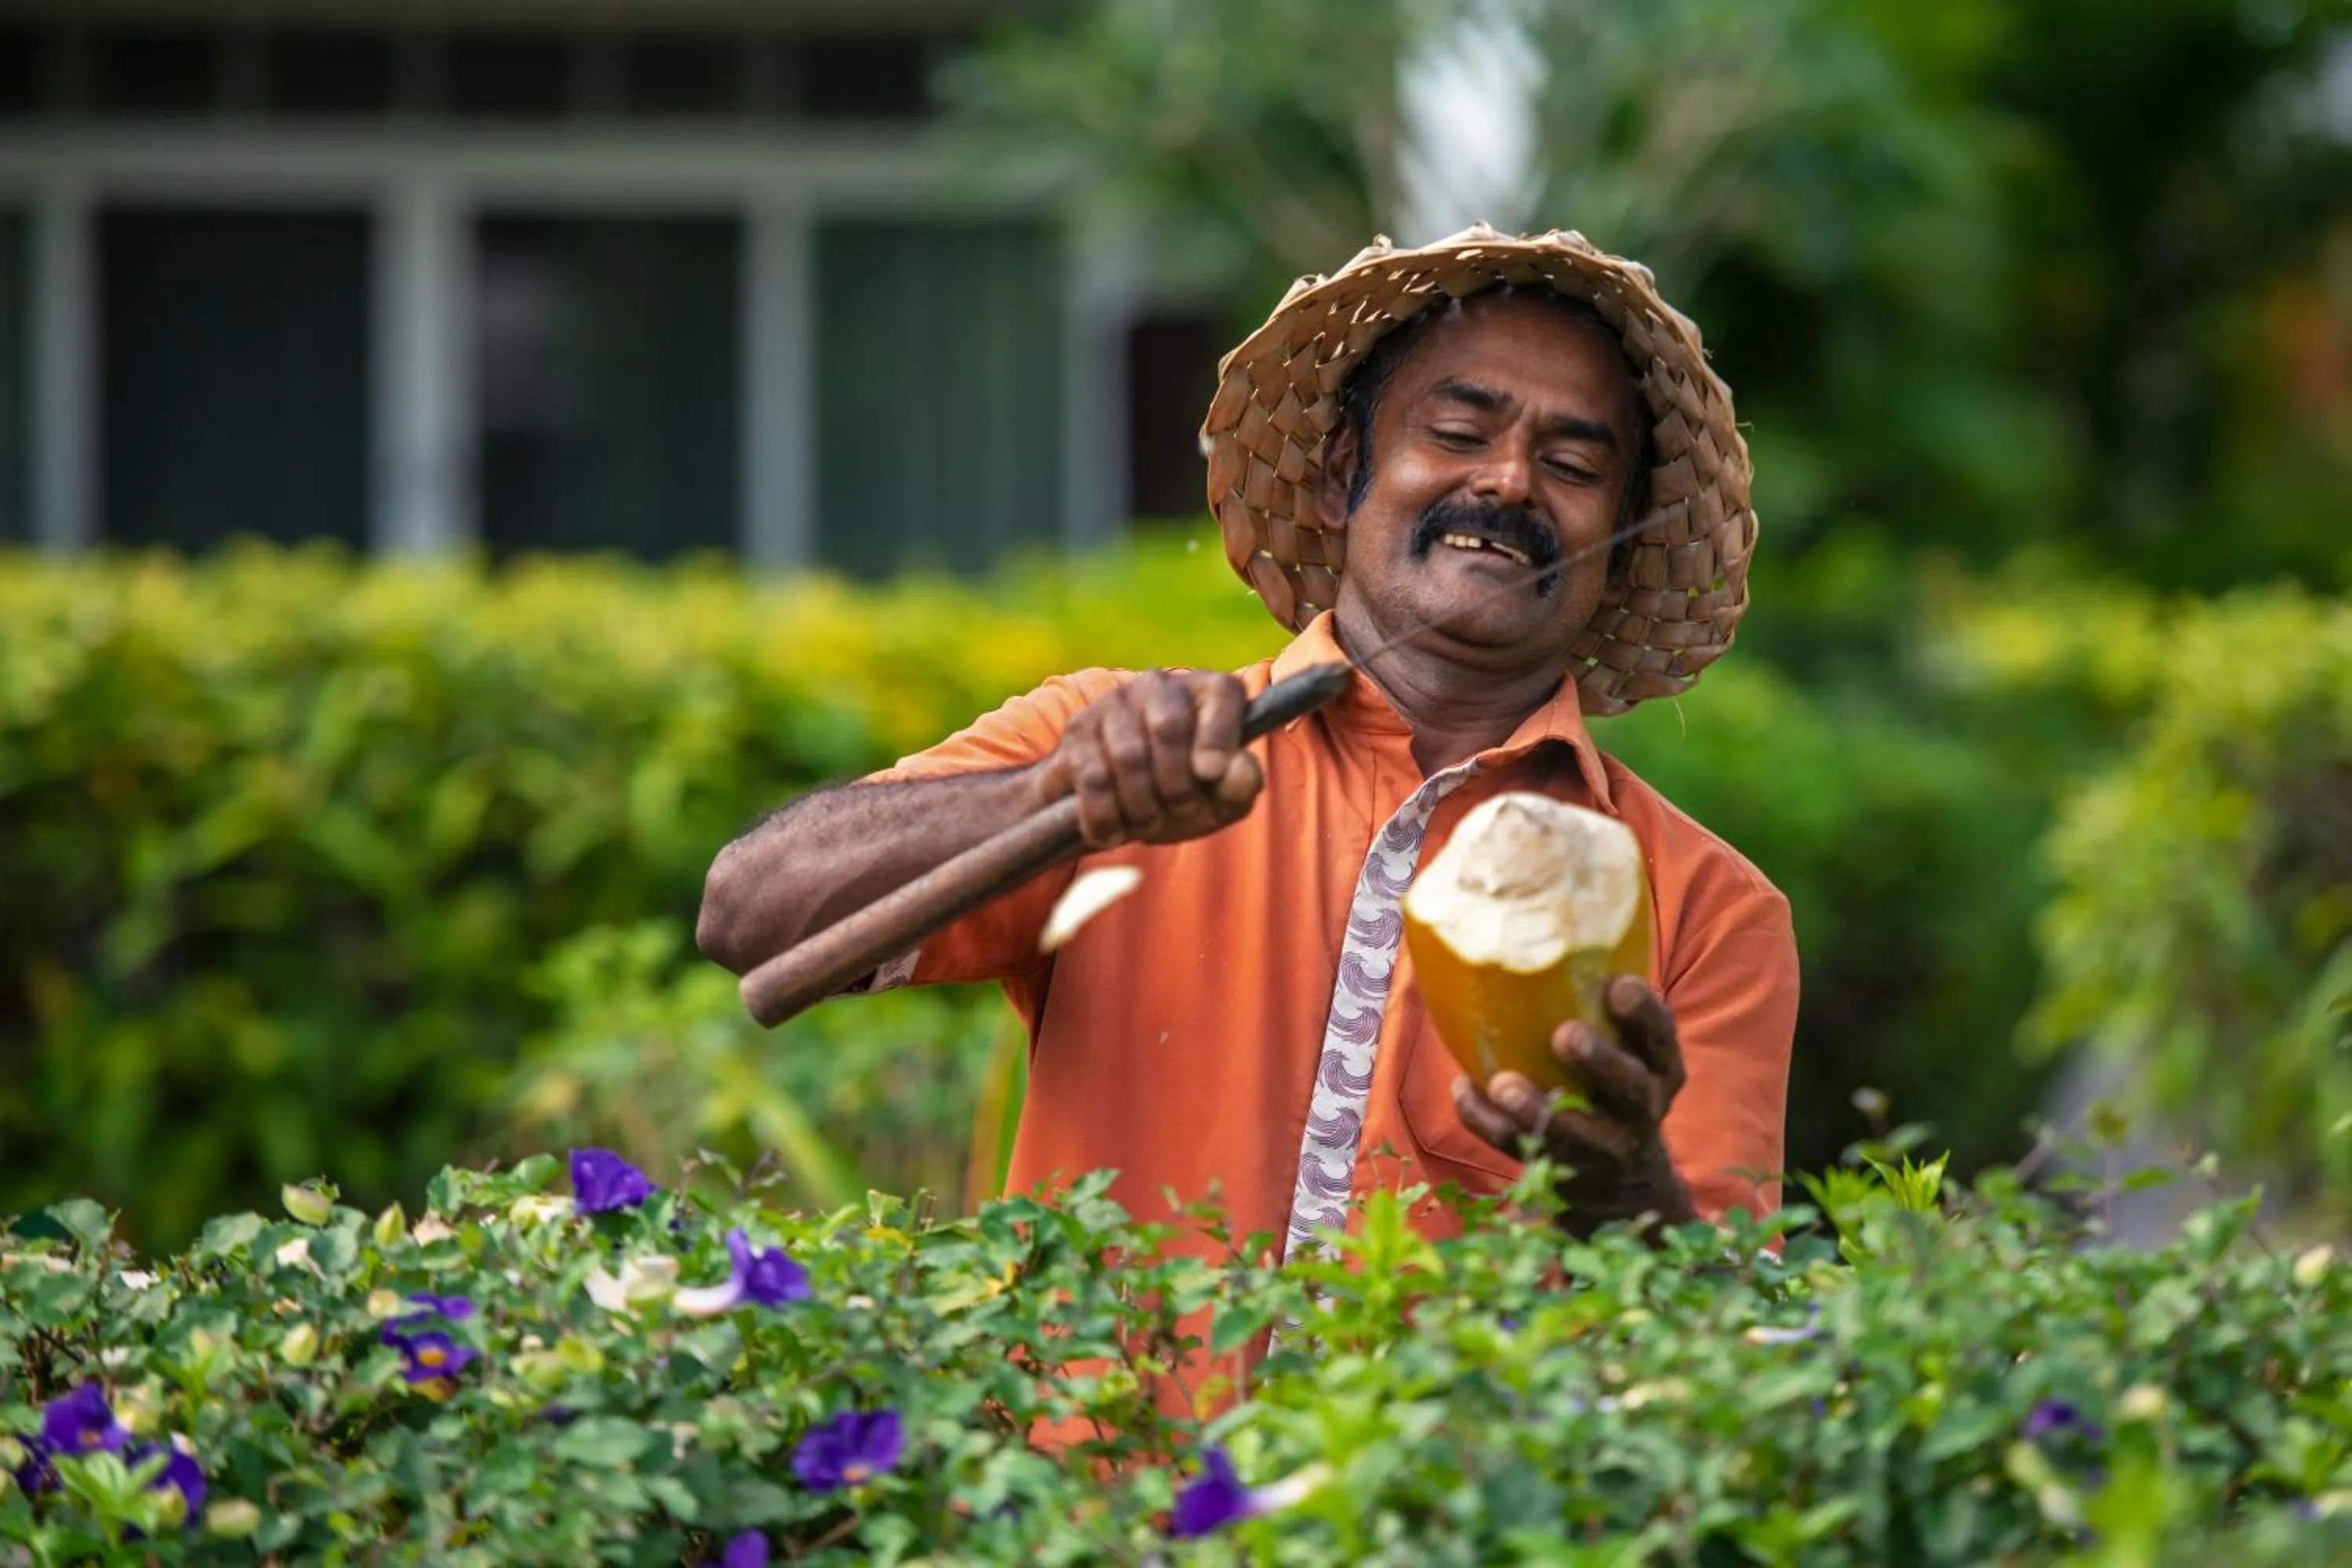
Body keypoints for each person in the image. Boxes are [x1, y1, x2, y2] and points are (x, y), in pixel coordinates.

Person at [698, 225, 1797, 1279]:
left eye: (1570, 462)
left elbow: (1723, 1358)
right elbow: (748, 915)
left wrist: (1623, 1187)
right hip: (1097, 1473)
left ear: (1620, 543)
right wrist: (1050, 794)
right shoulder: (1112, 746)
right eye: (1459, 433)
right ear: (1337, 476)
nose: (1509, 482)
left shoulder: (1707, 911)